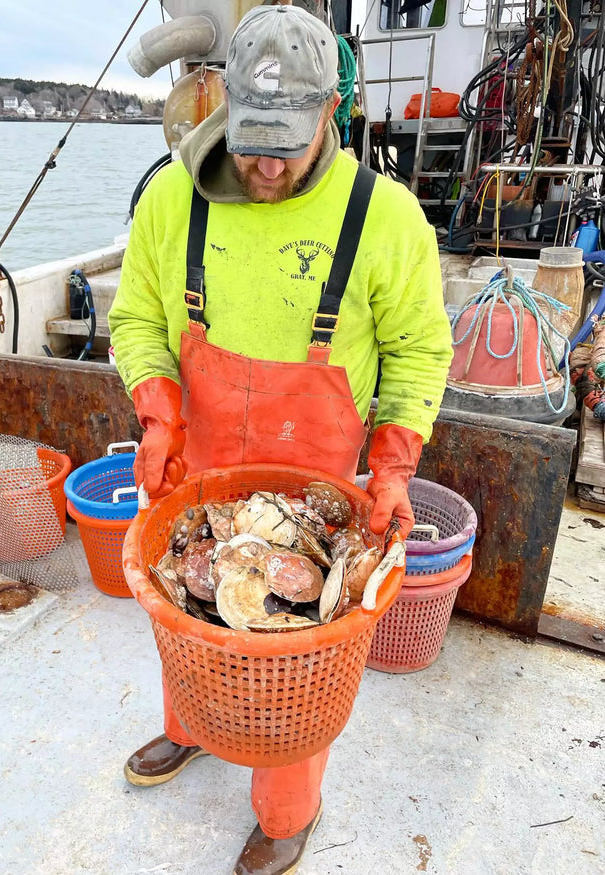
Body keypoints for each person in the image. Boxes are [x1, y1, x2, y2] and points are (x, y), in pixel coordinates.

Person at [108, 5, 453, 873]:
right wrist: (157, 415)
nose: (263, 163)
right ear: (222, 98)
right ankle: (187, 726)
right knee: (190, 611)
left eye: (286, 144)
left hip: (314, 485)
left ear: (330, 116)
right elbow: (138, 320)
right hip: (198, 466)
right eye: (251, 136)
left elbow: (419, 352)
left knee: (294, 656)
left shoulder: (388, 218)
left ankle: (285, 812)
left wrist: (395, 468)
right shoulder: (169, 198)